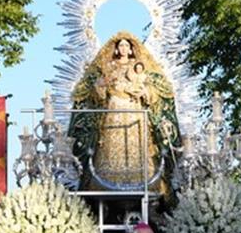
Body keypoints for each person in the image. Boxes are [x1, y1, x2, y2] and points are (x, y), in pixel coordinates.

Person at [69, 32, 179, 190]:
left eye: (127, 45)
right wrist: (101, 86)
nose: (123, 48)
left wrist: (145, 93)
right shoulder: (109, 67)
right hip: (114, 109)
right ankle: (107, 182)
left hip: (134, 109)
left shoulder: (139, 67)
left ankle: (142, 180)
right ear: (115, 49)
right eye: (120, 45)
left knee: (136, 143)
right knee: (112, 143)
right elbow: (98, 93)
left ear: (132, 48)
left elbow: (152, 89)